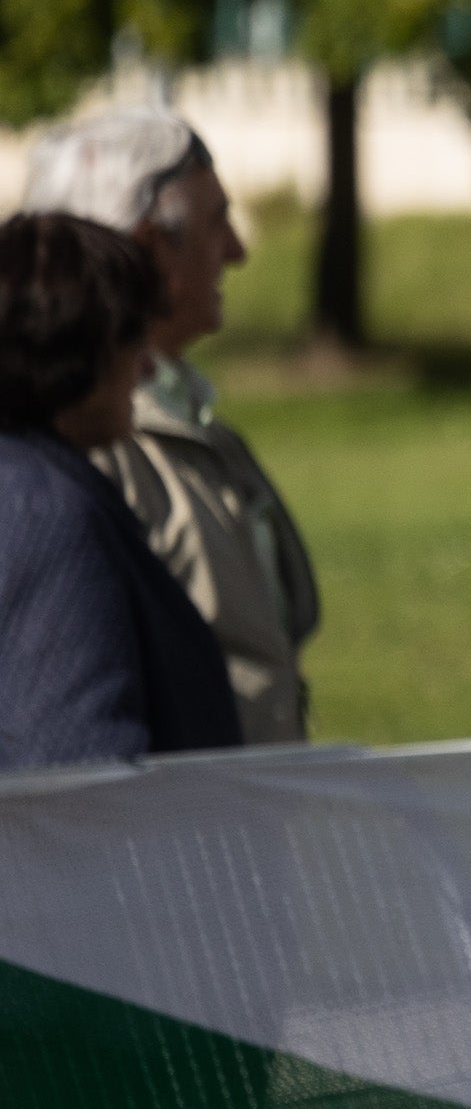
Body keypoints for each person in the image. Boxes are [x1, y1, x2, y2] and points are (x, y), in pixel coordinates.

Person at [18, 108, 319, 742]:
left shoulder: (185, 420)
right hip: (177, 836)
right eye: (217, 225)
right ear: (153, 245)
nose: (237, 251)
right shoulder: (69, 463)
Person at [0, 214, 242, 770]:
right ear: (71, 345)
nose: (148, 365)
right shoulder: (44, 515)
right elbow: (81, 792)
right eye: (133, 336)